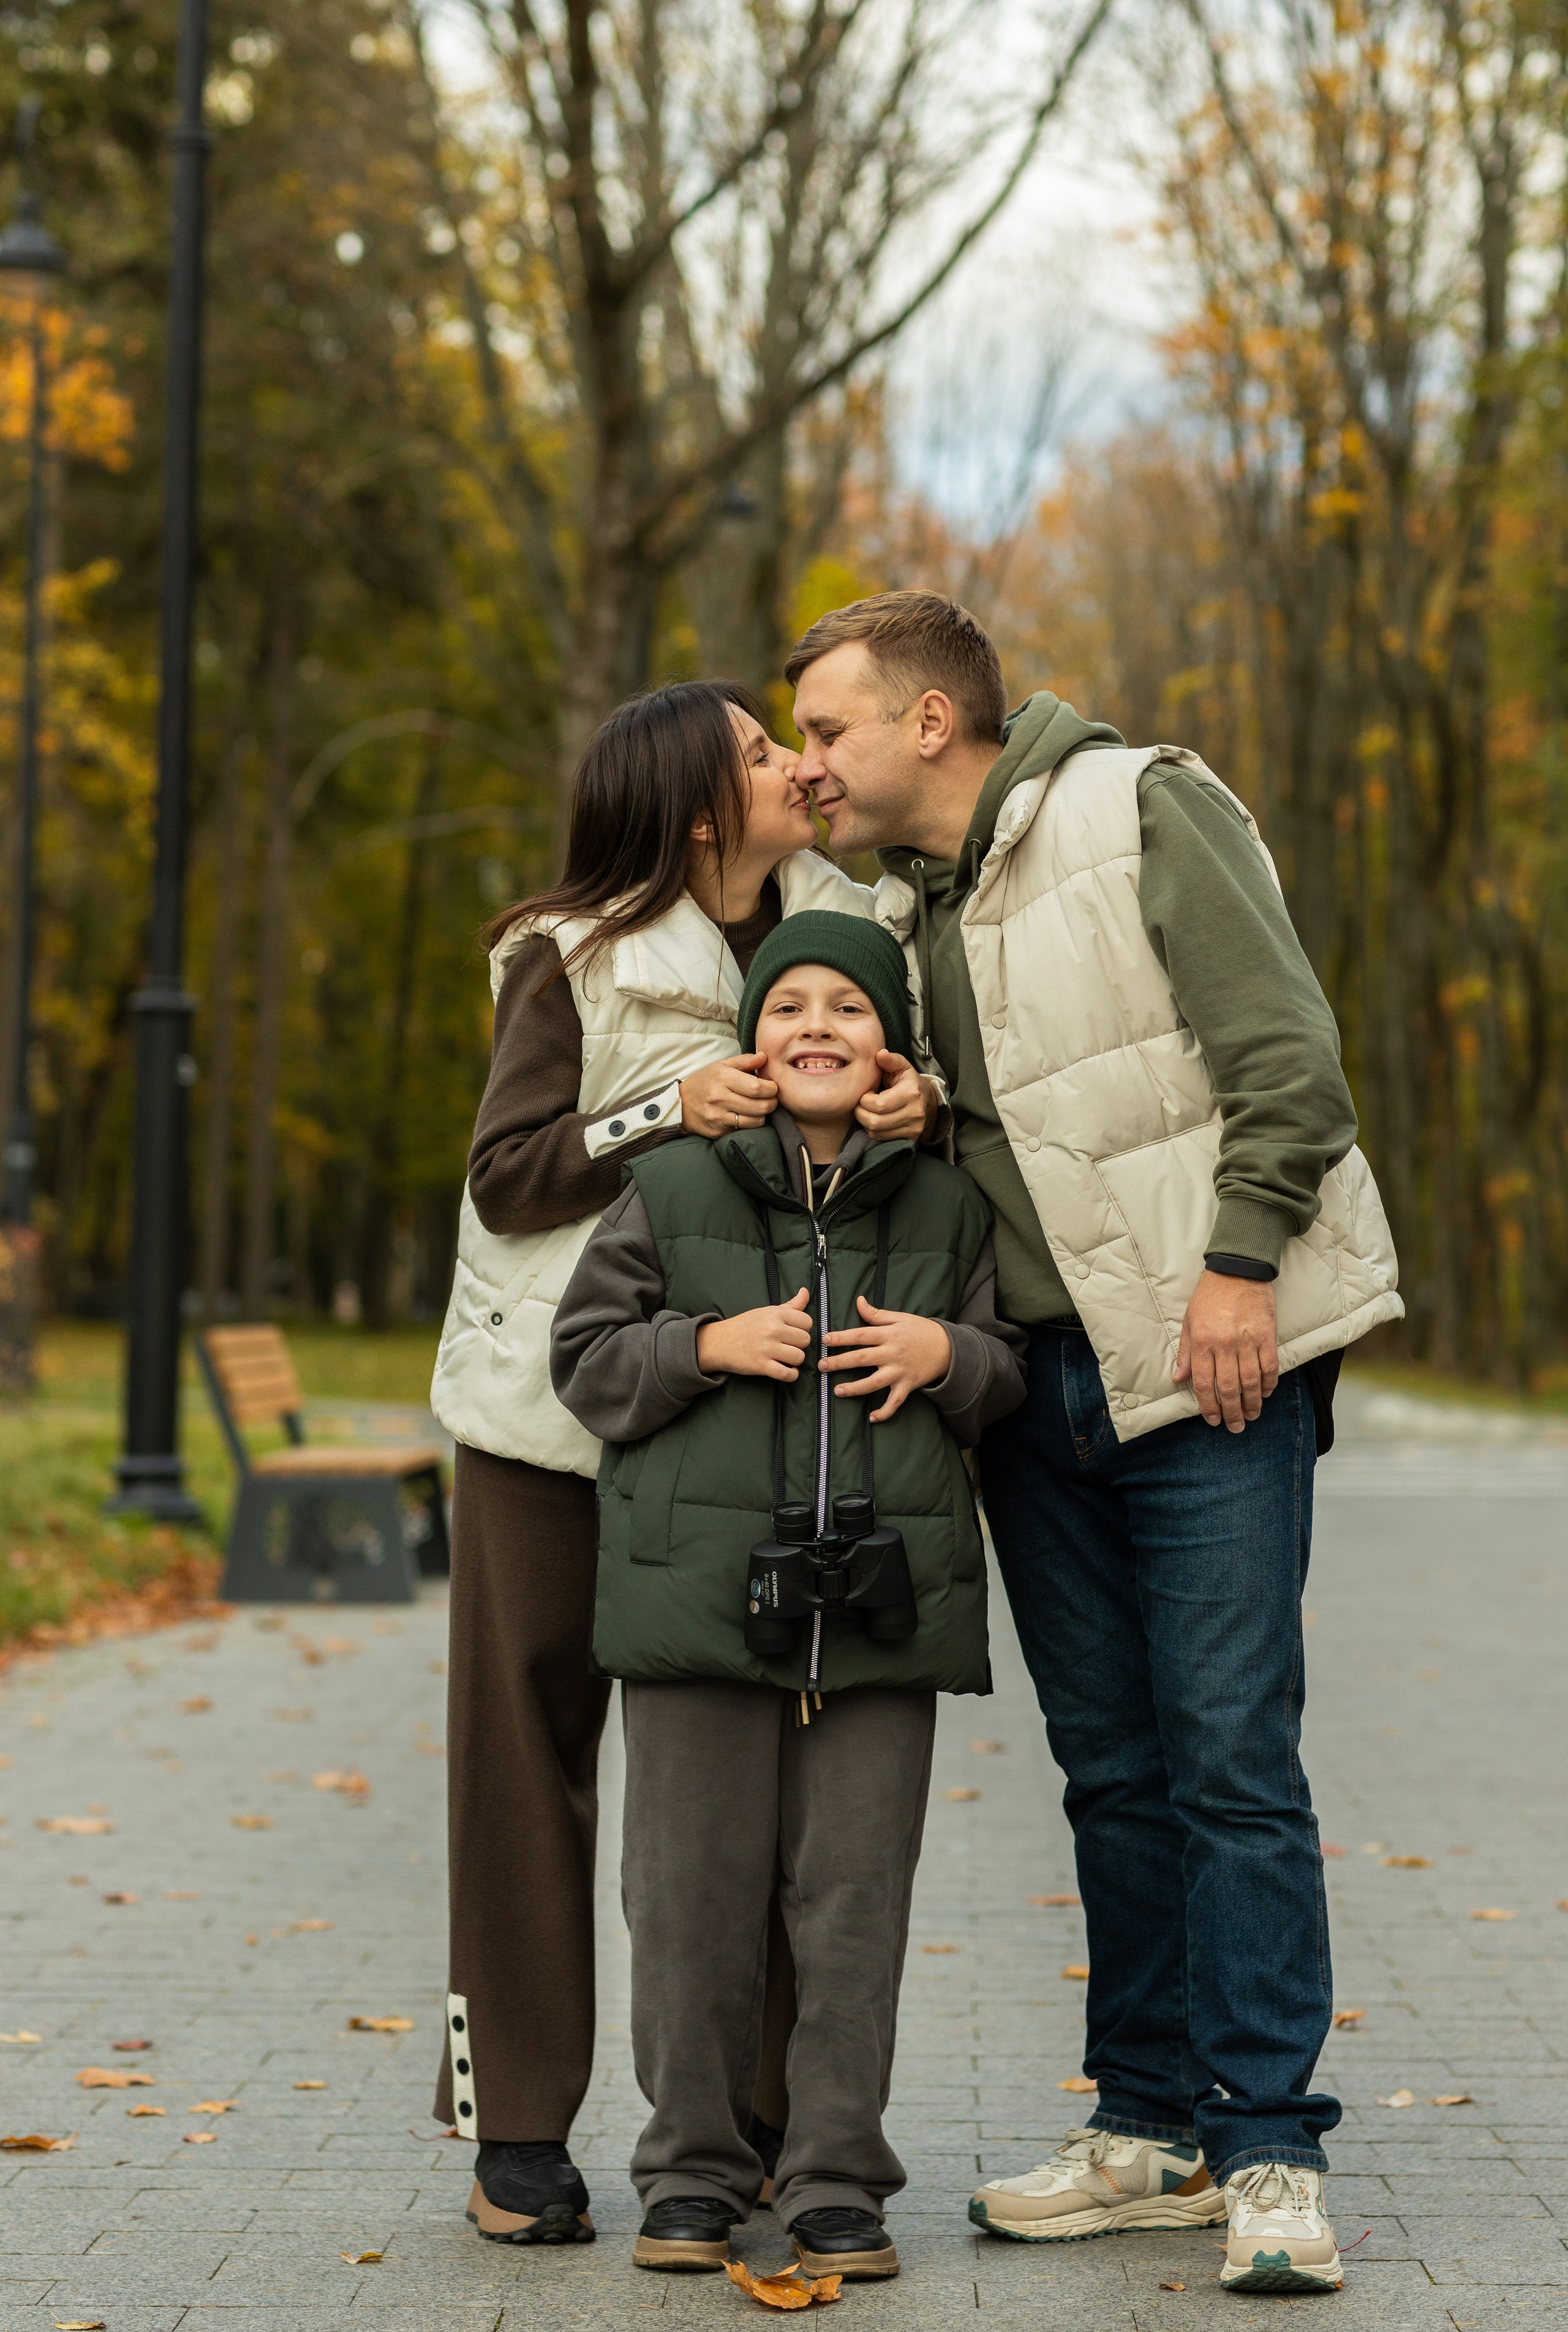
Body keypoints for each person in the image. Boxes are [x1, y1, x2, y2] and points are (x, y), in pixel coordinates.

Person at [785, 592, 1404, 2297]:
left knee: (1227, 1757)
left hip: (1206, 1365)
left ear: (930, 722)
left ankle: (1271, 2145)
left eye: (828, 729)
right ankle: (1150, 2128)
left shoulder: (1140, 805)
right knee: (1115, 1770)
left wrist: (1239, 1269)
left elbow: (1290, 1068)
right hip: (1027, 1388)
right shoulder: (901, 905)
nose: (811, 765)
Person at [428, 683, 939, 2246]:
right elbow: (510, 1177)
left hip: (749, 1427)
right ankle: (514, 2125)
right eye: (759, 750)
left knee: (763, 1751)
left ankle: (763, 2124)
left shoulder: (851, 931)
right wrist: (662, 1104)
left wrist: (919, 1100)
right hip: (553, 1422)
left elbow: (876, 1119)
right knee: (527, 1765)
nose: (796, 763)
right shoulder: (566, 956)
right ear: (700, 805)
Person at [549, 912, 1027, 2281]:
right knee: (687, 1898)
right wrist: (705, 1342)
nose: (816, 1024)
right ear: (749, 1039)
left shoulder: (944, 1203)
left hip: (876, 1620)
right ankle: (690, 2172)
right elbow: (584, 1356)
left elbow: (1004, 1375)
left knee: (853, 1905)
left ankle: (835, 2177)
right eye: (787, 1006)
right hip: (698, 1610)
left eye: (849, 1007)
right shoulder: (675, 1187)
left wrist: (947, 1353)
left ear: (891, 1046)